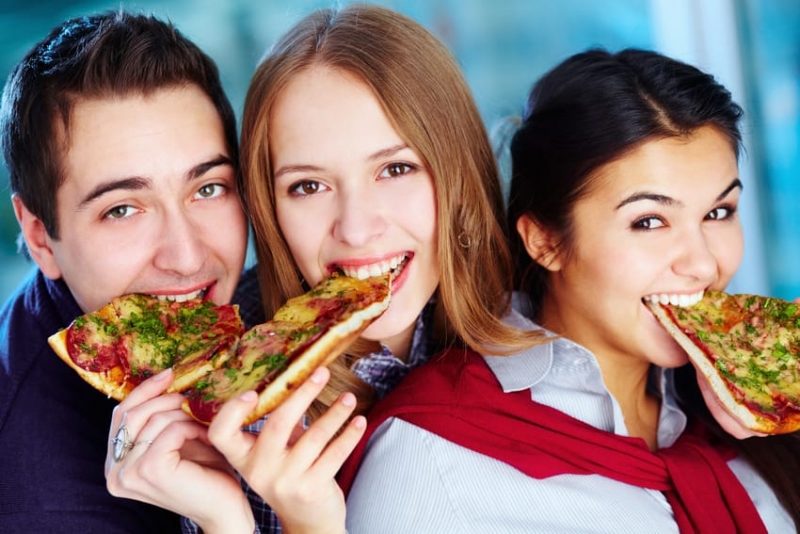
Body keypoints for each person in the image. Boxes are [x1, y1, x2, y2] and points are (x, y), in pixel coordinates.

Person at [101, 4, 546, 533]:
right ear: (268, 208)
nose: (356, 229)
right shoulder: (241, 403)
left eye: (395, 168)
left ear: (457, 171)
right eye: (308, 186)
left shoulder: (545, 295)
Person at [340, 49, 800, 533]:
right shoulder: (429, 458)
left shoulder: (756, 404)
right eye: (649, 221)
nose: (703, 263)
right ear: (545, 241)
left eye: (719, 212)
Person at [0, 11, 249, 532]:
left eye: (207, 188)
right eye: (121, 209)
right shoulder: (41, 509)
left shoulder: (262, 305)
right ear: (41, 236)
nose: (186, 257)